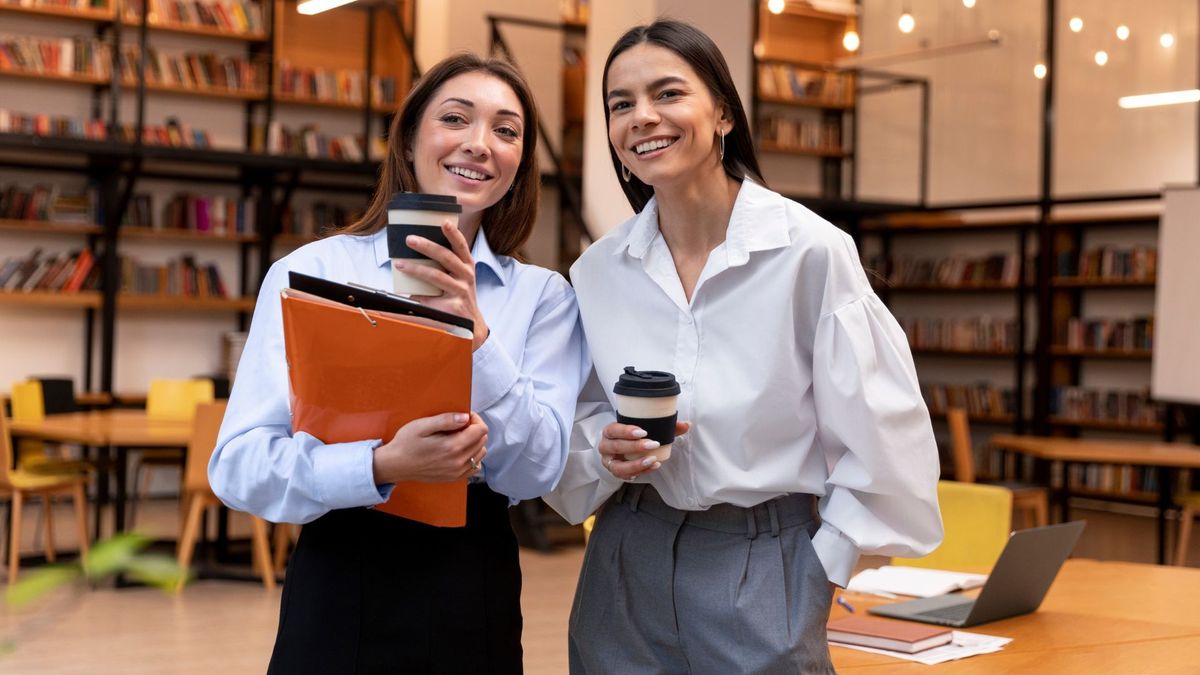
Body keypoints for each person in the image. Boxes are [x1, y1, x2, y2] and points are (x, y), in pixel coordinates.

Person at [543, 20, 943, 674]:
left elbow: (885, 436)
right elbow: (572, 426)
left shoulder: (810, 252)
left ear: (723, 112)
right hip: (623, 555)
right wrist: (601, 448)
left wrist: (817, 572)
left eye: (667, 93)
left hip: (764, 561)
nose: (643, 116)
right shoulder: (596, 272)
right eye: (621, 104)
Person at [210, 53, 588, 674]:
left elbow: (539, 470)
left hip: (474, 578)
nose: (479, 144)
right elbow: (238, 467)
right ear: (410, 139)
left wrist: (474, 330)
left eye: (506, 129)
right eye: (456, 118)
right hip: (340, 569)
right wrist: (380, 465)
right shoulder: (313, 272)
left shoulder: (543, 297)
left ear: (521, 163)